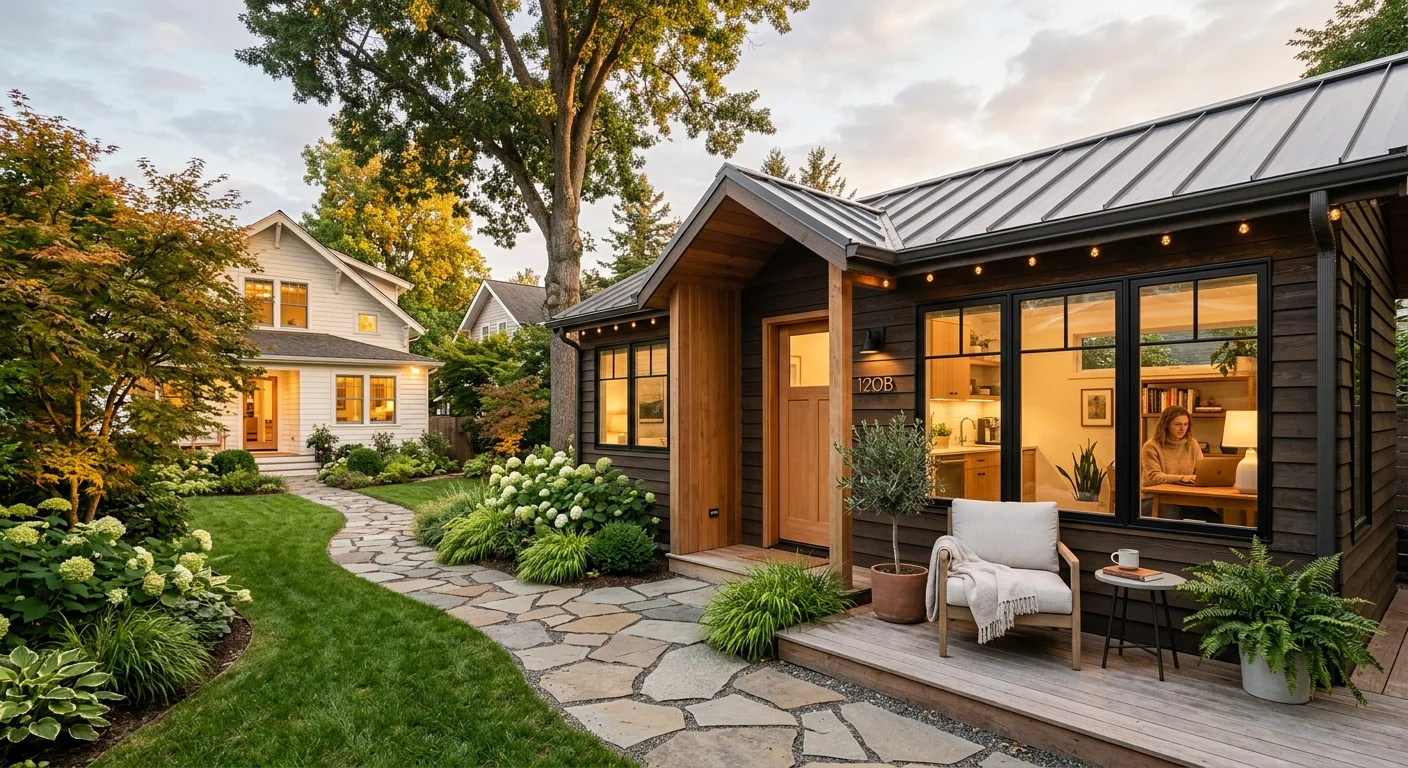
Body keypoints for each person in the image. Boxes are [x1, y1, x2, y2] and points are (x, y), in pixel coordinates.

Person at [1140, 405, 1218, 522]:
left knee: (1215, 520)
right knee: (1173, 518)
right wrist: (1182, 478)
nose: (1182, 428)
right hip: (1154, 498)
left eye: (1186, 424)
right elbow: (1154, 477)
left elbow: (1201, 470)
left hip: (1184, 498)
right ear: (1166, 425)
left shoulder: (1192, 443)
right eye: (1178, 424)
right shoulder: (1151, 446)